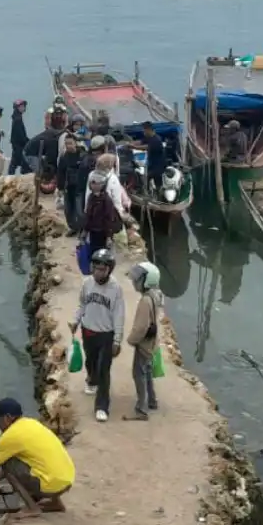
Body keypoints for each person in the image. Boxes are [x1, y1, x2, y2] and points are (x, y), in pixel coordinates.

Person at [0, 398, 74, 518]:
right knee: (40, 463)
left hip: (51, 485)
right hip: (66, 480)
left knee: (8, 465)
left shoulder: (10, 437)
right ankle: (56, 503)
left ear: (7, 417)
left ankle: (32, 508)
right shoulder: (31, 423)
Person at [68, 249, 124, 422]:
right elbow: (82, 304)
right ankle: (91, 381)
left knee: (104, 370)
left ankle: (102, 406)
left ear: (110, 270)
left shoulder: (115, 289)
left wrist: (117, 339)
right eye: (96, 268)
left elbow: (119, 315)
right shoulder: (87, 283)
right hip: (88, 330)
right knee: (90, 361)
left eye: (103, 269)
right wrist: (75, 320)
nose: (98, 272)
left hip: (106, 334)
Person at [123, 263, 163, 421]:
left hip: (143, 345)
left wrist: (131, 340)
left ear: (146, 281)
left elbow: (141, 327)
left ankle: (141, 409)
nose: (134, 282)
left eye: (137, 280)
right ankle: (152, 401)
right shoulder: (155, 295)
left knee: (138, 374)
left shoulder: (145, 301)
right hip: (151, 343)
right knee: (146, 373)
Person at [83, 170, 123, 262]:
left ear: (102, 185)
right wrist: (85, 230)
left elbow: (109, 218)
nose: (94, 185)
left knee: (102, 256)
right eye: (92, 183)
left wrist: (109, 236)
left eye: (97, 183)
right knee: (92, 254)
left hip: (103, 232)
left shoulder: (106, 200)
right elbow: (88, 215)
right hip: (93, 231)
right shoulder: (91, 198)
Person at [57, 134, 84, 235]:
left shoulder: (82, 155)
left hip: (79, 188)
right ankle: (73, 227)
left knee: (79, 210)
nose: (68, 146)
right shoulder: (64, 157)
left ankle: (81, 228)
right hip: (68, 187)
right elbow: (60, 173)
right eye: (66, 144)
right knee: (68, 210)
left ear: (75, 143)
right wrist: (60, 188)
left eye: (70, 143)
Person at [133, 121, 167, 192]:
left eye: (144, 129)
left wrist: (133, 146)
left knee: (148, 180)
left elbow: (146, 147)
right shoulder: (149, 137)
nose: (143, 131)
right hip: (151, 165)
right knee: (148, 180)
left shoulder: (157, 139)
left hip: (158, 167)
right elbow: (141, 142)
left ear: (148, 129)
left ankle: (153, 197)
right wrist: (129, 143)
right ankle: (150, 194)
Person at [7, 99, 31, 175]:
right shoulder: (18, 119)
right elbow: (20, 135)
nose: (24, 108)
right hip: (19, 146)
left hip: (17, 145)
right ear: (18, 107)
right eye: (23, 106)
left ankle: (10, 177)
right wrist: (27, 141)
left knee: (14, 164)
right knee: (24, 164)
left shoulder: (16, 117)